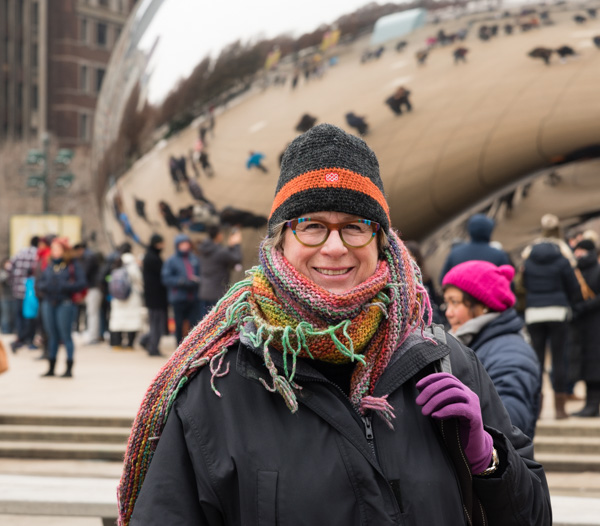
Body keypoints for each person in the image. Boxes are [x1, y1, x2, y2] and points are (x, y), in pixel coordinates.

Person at [119, 124, 551, 526]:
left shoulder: (445, 361)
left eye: (354, 227)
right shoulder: (217, 386)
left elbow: (534, 517)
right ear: (281, 240)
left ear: (382, 241)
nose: (334, 247)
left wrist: (490, 461)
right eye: (312, 227)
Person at [442, 261, 541, 437]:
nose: (449, 312)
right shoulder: (471, 343)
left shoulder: (512, 353)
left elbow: (510, 423)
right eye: (447, 303)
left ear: (483, 306)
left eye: (455, 302)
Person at [521, 214, 582, 419]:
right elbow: (573, 286)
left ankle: (536, 407)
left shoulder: (529, 255)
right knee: (559, 359)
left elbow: (524, 284)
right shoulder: (562, 253)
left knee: (536, 360)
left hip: (534, 313)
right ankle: (560, 409)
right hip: (558, 311)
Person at [36, 238, 86, 377]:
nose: (55, 251)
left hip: (65, 303)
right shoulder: (48, 264)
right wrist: (46, 286)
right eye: (53, 249)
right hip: (49, 302)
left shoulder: (72, 265)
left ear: (64, 250)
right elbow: (40, 282)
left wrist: (64, 286)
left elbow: (82, 283)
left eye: (58, 248)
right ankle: (51, 367)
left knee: (65, 335)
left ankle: (69, 367)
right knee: (52, 335)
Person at [570, 239, 600, 417]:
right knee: (590, 364)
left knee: (594, 364)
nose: (577, 253)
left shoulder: (589, 271)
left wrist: (582, 308)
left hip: (593, 324)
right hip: (585, 325)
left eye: (580, 250)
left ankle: (592, 405)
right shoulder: (579, 271)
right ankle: (591, 404)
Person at [439, 213, 511, 282]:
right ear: (489, 231)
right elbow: (509, 283)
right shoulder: (499, 255)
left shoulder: (455, 253)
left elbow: (442, 280)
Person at [161, 234, 201, 345]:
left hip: (193, 296)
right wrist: (181, 281)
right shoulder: (171, 261)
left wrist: (196, 281)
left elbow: (201, 274)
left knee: (194, 323)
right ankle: (179, 345)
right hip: (178, 297)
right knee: (179, 323)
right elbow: (166, 278)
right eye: (182, 244)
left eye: (187, 243)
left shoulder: (194, 259)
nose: (185, 246)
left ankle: (192, 346)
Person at [197, 225, 242, 318]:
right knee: (217, 321)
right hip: (217, 292)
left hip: (204, 292)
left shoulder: (205, 250)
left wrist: (230, 247)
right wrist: (236, 245)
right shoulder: (220, 252)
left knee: (205, 322)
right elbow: (237, 258)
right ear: (218, 235)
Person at [9, 236, 40, 352]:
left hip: (17, 290)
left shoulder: (21, 252)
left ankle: (20, 339)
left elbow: (9, 267)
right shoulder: (37, 255)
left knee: (19, 316)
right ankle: (29, 340)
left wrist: (13, 282)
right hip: (30, 291)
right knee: (30, 316)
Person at [109, 250, 145, 350]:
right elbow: (140, 281)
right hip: (132, 299)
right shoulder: (134, 268)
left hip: (117, 300)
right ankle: (130, 344)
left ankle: (116, 343)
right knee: (132, 321)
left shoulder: (116, 268)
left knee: (117, 321)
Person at [141, 234, 168, 357]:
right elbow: (161, 275)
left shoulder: (150, 256)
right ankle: (153, 347)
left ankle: (146, 341)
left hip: (153, 296)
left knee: (155, 322)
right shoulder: (153, 258)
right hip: (156, 296)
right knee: (157, 323)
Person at [0, 259, 13, 334]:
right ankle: (5, 329)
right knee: (5, 314)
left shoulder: (13, 271)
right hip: (4, 297)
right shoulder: (2, 272)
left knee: (11, 314)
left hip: (12, 296)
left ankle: (10, 329)